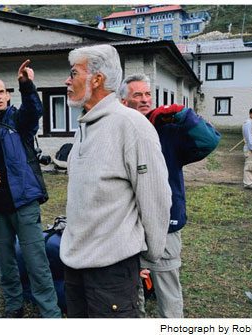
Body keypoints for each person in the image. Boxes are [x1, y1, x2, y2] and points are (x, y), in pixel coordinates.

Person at [60, 45, 172, 318]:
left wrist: (148, 256)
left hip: (112, 270)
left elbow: (155, 197)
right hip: (75, 264)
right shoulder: (85, 126)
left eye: (73, 73)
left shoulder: (131, 125)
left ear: (96, 80)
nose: (67, 80)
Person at [119, 74, 221, 318]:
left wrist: (183, 115)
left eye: (147, 94)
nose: (145, 100)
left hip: (166, 222)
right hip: (128, 222)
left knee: (167, 285)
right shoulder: (119, 131)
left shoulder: (168, 130)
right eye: (137, 95)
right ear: (124, 102)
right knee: (132, 288)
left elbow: (210, 141)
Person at [0, 63, 61, 318]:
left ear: (8, 94)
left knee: (36, 262)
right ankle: (14, 306)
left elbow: (34, 109)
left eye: (2, 91)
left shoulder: (19, 121)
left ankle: (50, 313)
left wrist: (27, 85)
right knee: (6, 261)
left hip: (24, 202)